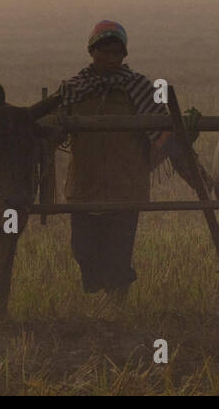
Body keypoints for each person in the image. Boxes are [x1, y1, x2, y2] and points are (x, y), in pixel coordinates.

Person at [56, 20, 172, 306]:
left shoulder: (140, 88)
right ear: (92, 52)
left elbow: (164, 131)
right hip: (84, 185)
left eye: (116, 54)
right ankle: (105, 293)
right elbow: (53, 130)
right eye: (104, 52)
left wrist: (146, 164)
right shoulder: (72, 90)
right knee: (82, 249)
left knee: (119, 247)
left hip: (126, 185)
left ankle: (116, 303)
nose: (110, 59)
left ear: (124, 56)